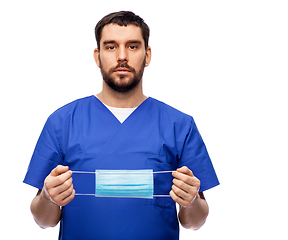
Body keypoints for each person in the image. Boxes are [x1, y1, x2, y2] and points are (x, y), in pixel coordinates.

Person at [23, 11, 219, 240]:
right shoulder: (62, 122)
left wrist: (191, 201)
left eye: (133, 46)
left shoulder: (179, 125)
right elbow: (44, 220)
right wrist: (48, 197)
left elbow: (195, 222)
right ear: (97, 56)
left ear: (147, 56)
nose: (122, 56)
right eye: (111, 47)